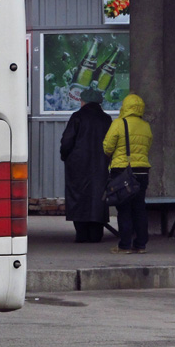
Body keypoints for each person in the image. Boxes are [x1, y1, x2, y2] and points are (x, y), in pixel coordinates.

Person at [103, 93, 153, 254]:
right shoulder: (145, 125)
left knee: (124, 208)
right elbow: (148, 145)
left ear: (125, 107)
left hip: (123, 171)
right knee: (139, 208)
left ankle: (125, 245)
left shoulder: (119, 123)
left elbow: (107, 147)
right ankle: (140, 245)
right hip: (142, 172)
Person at [60, 87, 112, 243]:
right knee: (98, 196)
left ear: (84, 102)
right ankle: (96, 234)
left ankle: (82, 234)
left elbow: (67, 141)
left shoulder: (77, 117)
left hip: (78, 165)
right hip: (101, 165)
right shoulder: (106, 119)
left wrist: (66, 156)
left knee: (78, 196)